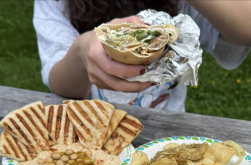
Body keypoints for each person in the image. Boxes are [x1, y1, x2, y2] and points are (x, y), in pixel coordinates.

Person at [33, 0, 251, 111]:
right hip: (91, 137)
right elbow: (62, 86)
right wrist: (82, 49)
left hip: (165, 138)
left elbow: (245, 28)